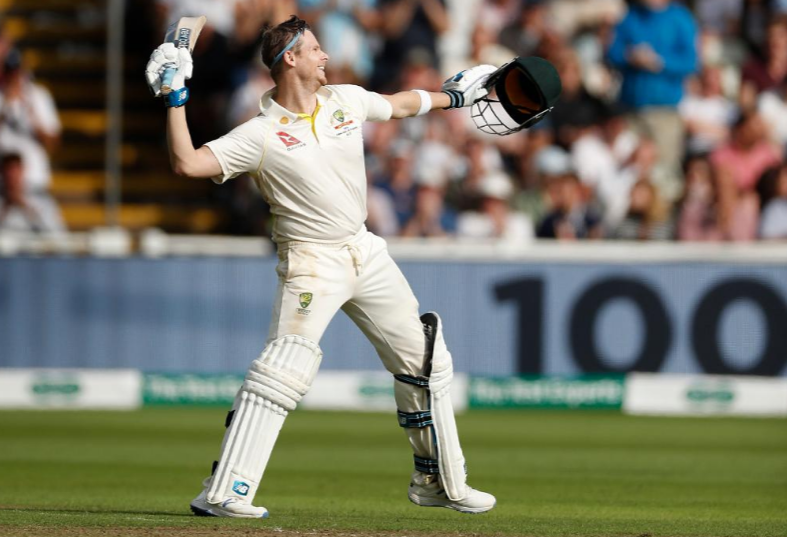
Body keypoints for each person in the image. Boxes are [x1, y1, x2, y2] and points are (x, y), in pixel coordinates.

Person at [145, 15, 504, 518]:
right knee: (283, 371)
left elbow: (401, 104)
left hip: (366, 251)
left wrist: (455, 98)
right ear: (289, 58)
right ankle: (224, 491)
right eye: (315, 49)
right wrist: (175, 99)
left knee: (424, 362)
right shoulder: (261, 133)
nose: (325, 56)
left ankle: (438, 481)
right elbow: (188, 163)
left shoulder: (345, 100)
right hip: (311, 261)